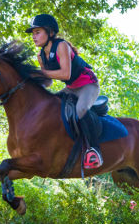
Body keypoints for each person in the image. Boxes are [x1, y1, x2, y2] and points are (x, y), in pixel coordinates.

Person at [26, 13, 103, 169]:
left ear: (50, 32)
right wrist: (30, 80)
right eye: (33, 34)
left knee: (81, 109)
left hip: (88, 84)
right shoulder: (41, 55)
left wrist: (41, 73)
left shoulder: (62, 46)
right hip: (72, 87)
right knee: (50, 107)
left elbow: (65, 74)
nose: (34, 37)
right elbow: (48, 82)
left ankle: (94, 151)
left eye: (37, 32)